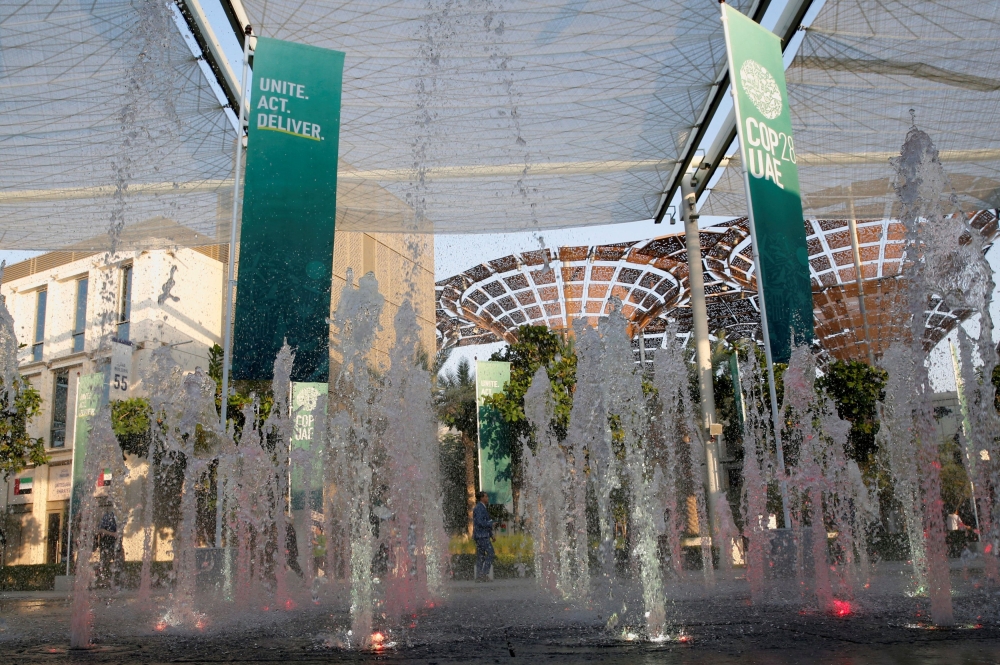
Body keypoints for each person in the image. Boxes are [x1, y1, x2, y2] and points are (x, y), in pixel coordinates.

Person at [473, 491, 495, 581]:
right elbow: (479, 522)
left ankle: (479, 576)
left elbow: (483, 521)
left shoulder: (482, 507)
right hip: (482, 536)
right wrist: (490, 524)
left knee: (481, 556)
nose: (487, 498)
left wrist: (491, 535)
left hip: (482, 535)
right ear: (481, 498)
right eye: (486, 496)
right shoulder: (479, 508)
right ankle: (484, 574)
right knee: (491, 553)